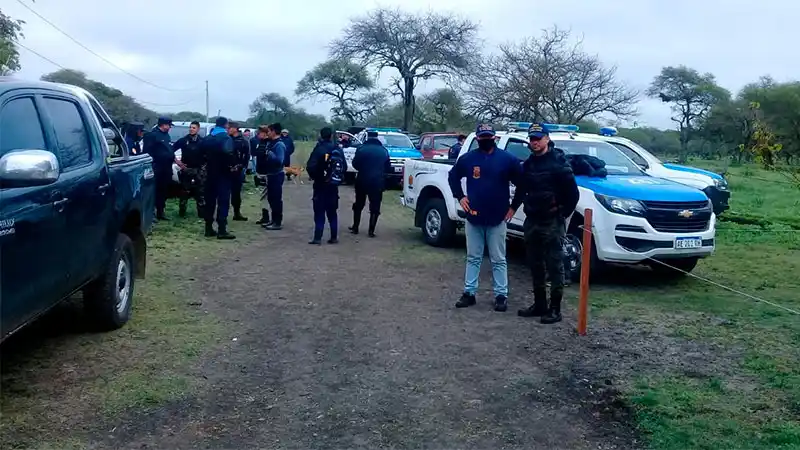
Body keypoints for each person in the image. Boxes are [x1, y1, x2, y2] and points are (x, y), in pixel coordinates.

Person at [448, 124, 522, 312]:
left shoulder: (507, 160)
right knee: (473, 257)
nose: (485, 139)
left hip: (497, 218)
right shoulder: (468, 159)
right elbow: (452, 176)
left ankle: (501, 295)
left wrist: (514, 207)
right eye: (481, 137)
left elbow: (523, 184)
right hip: (473, 217)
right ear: (477, 138)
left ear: (494, 138)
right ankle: (469, 293)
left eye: (488, 136)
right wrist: (460, 196)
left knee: (498, 258)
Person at [511, 123, 579, 324]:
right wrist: (516, 207)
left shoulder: (558, 163)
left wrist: (561, 215)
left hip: (552, 221)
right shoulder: (529, 165)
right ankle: (539, 304)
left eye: (538, 138)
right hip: (532, 220)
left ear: (547, 139)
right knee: (535, 264)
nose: (534, 142)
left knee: (555, 265)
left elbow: (572, 195)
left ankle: (555, 309)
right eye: (531, 139)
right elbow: (522, 190)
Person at [306, 127, 347, 244]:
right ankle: (334, 237)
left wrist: (316, 176)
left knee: (319, 212)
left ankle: (317, 237)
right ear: (331, 136)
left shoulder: (319, 149)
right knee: (332, 212)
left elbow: (310, 166)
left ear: (321, 135)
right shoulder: (337, 149)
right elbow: (343, 166)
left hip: (320, 184)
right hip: (333, 185)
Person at [349, 130, 391, 237]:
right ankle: (371, 231)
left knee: (359, 204)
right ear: (377, 138)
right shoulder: (384, 151)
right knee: (375, 206)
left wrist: (363, 170)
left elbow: (355, 164)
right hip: (377, 181)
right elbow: (388, 167)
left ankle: (355, 227)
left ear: (367, 137)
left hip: (362, 179)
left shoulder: (361, 149)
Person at [202, 116, 237, 240]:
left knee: (209, 201)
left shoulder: (207, 139)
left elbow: (201, 156)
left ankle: (208, 228)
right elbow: (229, 155)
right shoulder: (226, 138)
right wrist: (232, 166)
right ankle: (222, 229)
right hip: (223, 174)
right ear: (226, 125)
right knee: (223, 202)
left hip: (209, 174)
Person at [143, 117, 183, 220]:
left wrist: (176, 160)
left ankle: (161, 212)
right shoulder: (152, 135)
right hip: (157, 167)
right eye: (169, 125)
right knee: (154, 191)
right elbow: (147, 152)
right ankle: (150, 214)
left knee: (163, 190)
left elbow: (169, 150)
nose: (170, 127)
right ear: (163, 125)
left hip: (166, 167)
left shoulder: (166, 136)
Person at [252, 123, 286, 230]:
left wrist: (269, 154)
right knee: (271, 199)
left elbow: (280, 161)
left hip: (276, 174)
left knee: (276, 199)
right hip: (270, 174)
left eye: (269, 131)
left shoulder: (279, 145)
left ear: (274, 131)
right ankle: (273, 220)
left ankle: (277, 222)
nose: (268, 133)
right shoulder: (271, 143)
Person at [172, 121, 207, 218]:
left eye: (194, 128)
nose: (191, 129)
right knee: (184, 191)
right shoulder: (183, 140)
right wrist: (177, 161)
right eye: (190, 127)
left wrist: (205, 166)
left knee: (200, 192)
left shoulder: (202, 141)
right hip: (186, 169)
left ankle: (201, 213)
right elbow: (171, 150)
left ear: (198, 129)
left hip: (199, 169)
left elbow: (208, 155)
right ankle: (182, 213)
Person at [227, 122, 250, 221]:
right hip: (227, 169)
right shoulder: (228, 138)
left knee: (236, 193)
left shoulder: (243, 141)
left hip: (238, 170)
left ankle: (237, 212)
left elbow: (246, 156)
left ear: (235, 128)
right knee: (224, 192)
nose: (227, 129)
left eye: (229, 128)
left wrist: (241, 167)